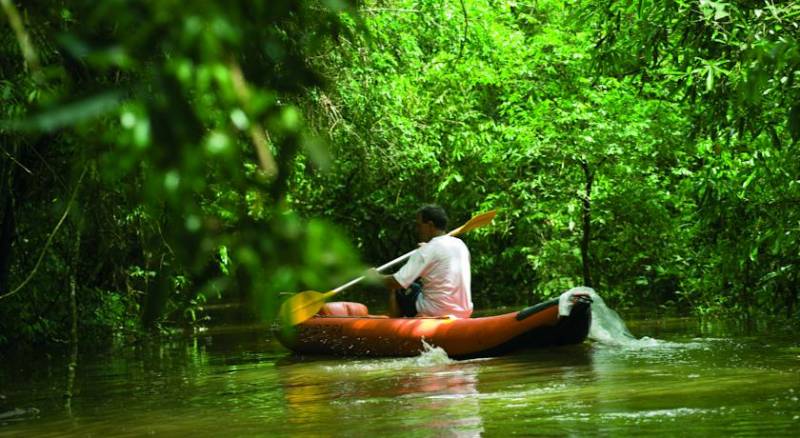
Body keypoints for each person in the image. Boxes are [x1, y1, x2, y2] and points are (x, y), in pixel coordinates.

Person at [372, 205, 473, 318]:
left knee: (398, 289)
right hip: (464, 311)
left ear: (430, 225)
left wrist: (376, 277)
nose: (417, 229)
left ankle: (393, 325)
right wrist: (427, 248)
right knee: (416, 287)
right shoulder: (460, 245)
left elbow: (397, 282)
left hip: (435, 312)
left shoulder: (427, 250)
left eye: (419, 225)